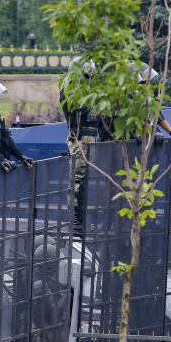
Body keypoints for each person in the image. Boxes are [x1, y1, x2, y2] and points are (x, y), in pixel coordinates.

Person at [61, 57, 103, 233]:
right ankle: (76, 218)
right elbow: (80, 108)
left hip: (91, 136)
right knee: (79, 177)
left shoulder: (88, 88)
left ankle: (81, 216)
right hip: (81, 137)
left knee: (86, 178)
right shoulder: (71, 88)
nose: (91, 75)